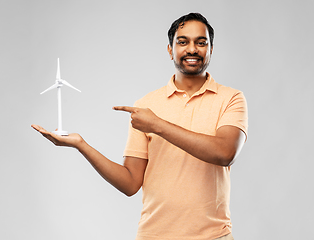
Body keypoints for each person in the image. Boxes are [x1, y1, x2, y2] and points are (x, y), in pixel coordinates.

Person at [32, 12, 248, 240]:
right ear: (170, 49)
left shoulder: (231, 98)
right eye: (182, 42)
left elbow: (225, 153)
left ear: (211, 49)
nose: (192, 49)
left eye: (201, 42)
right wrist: (81, 145)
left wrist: (157, 125)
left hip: (213, 236)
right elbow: (130, 183)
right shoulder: (146, 105)